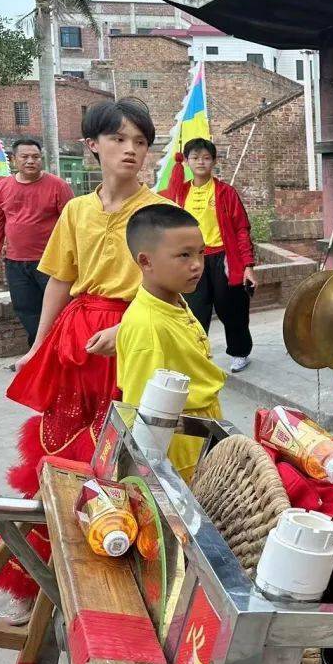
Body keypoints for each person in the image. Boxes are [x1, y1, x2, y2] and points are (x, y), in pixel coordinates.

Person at [0, 98, 166, 624]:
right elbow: (58, 278)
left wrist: (127, 328)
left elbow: (172, 289)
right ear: (92, 146)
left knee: (123, 461)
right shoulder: (76, 210)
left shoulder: (160, 210)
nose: (131, 150)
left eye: (140, 142)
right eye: (120, 139)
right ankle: (43, 587)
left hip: (134, 340)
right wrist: (39, 344)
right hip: (77, 343)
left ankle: (122, 593)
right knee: (58, 457)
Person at [118, 204, 226, 481]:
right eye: (183, 255)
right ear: (146, 261)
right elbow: (141, 414)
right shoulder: (148, 326)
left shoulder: (173, 299)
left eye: (201, 253)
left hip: (202, 432)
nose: (197, 265)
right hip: (180, 450)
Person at [160, 137, 256, 374]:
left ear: (213, 161)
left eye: (205, 157)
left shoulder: (225, 192)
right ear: (187, 162)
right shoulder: (180, 193)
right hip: (193, 259)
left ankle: (239, 352)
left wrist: (248, 265)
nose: (200, 162)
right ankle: (196, 355)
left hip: (223, 257)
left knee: (231, 307)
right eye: (194, 158)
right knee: (194, 310)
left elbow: (241, 229)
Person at [0, 139, 74, 346]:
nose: (31, 161)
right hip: (15, 263)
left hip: (50, 264)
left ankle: (57, 356)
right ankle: (38, 357)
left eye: (36, 157)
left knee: (59, 311)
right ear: (14, 159)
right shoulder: (3, 187)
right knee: (26, 312)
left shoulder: (58, 186)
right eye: (25, 157)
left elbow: (73, 224)